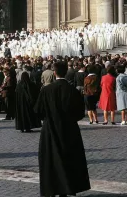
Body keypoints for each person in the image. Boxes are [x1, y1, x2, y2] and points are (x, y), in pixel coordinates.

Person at [34, 61, 90, 197]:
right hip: (69, 129)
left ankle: (52, 188)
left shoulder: (46, 90)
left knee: (51, 160)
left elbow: (37, 110)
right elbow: (80, 113)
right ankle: (68, 188)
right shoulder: (73, 90)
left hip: (50, 129)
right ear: (66, 72)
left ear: (54, 73)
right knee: (69, 158)